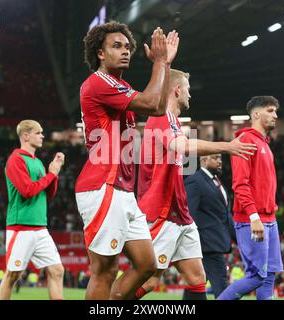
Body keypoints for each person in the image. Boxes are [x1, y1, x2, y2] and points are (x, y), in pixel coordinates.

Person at [75, 21, 179, 300]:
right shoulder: (100, 82)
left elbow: (158, 107)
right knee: (104, 272)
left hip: (121, 189)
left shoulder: (119, 84)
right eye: (116, 46)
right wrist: (159, 61)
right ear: (100, 53)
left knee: (147, 264)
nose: (126, 52)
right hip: (102, 185)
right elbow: (148, 103)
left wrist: (165, 64)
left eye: (128, 47)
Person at [135, 69, 257, 300]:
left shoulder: (172, 121)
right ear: (177, 90)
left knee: (197, 279)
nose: (190, 95)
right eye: (188, 90)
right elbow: (183, 148)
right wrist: (227, 146)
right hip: (161, 209)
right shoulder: (161, 116)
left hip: (179, 213)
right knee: (149, 280)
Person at [218, 96, 284, 300]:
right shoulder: (245, 141)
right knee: (256, 276)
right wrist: (254, 216)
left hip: (269, 219)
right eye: (270, 110)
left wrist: (270, 205)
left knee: (269, 274)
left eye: (275, 111)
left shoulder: (263, 143)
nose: (275, 115)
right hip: (252, 220)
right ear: (256, 114)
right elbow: (240, 184)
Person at [0, 120, 65, 300]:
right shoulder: (16, 159)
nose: (42, 135)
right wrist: (51, 175)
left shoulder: (38, 162)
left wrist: (54, 173)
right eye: (38, 132)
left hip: (40, 227)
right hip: (21, 228)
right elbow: (28, 191)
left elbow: (47, 196)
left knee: (57, 270)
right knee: (12, 275)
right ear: (26, 136)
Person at [185, 153, 236, 298]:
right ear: (203, 160)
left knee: (195, 287)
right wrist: (192, 243)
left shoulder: (216, 182)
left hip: (214, 243)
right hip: (206, 245)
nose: (220, 161)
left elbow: (225, 216)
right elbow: (189, 214)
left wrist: (240, 240)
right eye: (215, 158)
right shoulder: (195, 181)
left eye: (220, 158)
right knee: (221, 286)